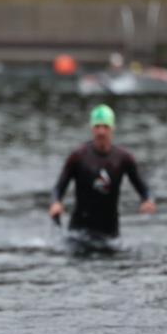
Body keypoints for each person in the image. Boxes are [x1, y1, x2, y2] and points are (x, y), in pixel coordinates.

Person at [48, 104, 156, 244]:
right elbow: (58, 189)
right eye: (97, 126)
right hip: (79, 234)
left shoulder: (123, 158)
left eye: (105, 127)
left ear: (112, 129)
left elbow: (144, 189)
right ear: (91, 128)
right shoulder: (78, 156)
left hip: (110, 235)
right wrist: (55, 203)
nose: (101, 132)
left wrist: (148, 201)